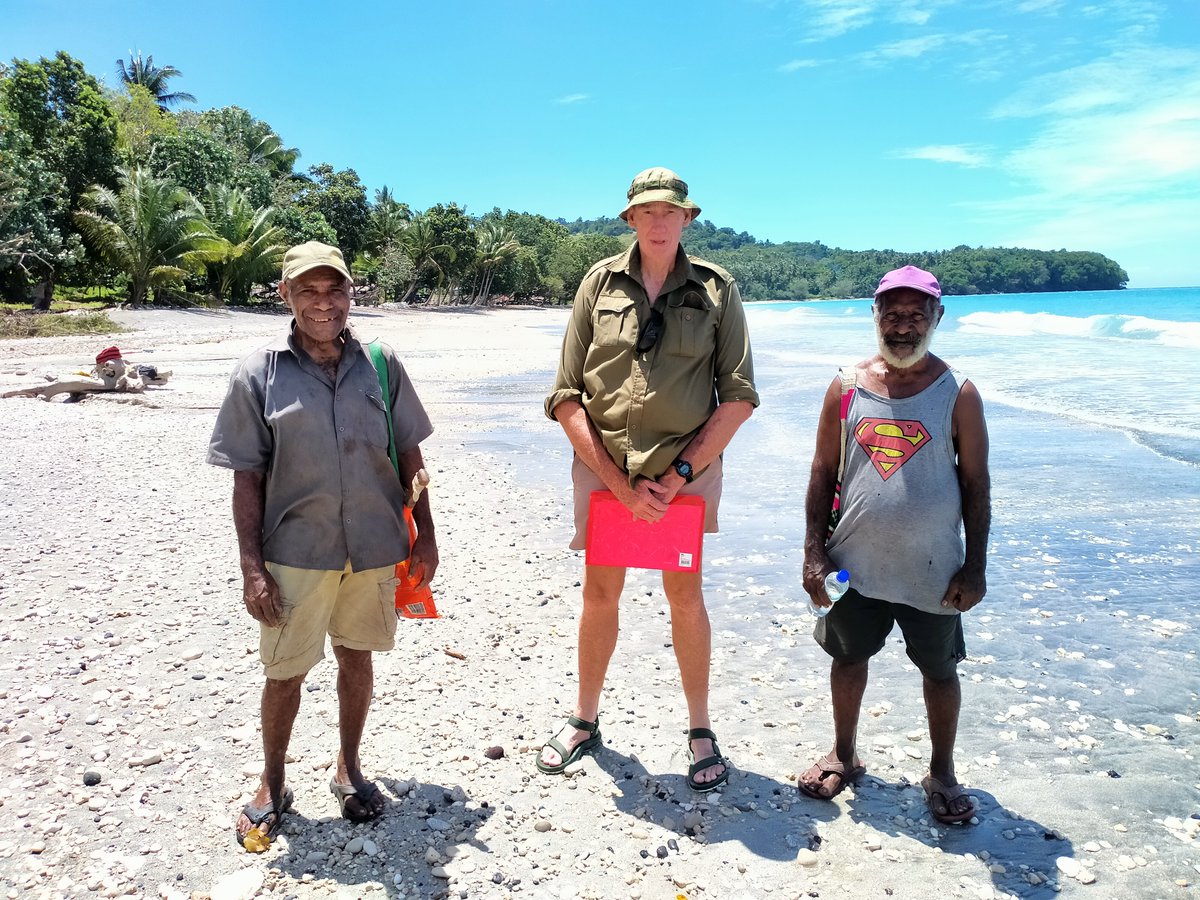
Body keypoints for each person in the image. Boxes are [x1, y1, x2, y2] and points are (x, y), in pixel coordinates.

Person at [207, 241, 438, 845]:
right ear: (285, 296)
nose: (322, 303)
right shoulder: (260, 372)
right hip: (295, 552)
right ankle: (273, 780)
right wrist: (251, 567)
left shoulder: (381, 365)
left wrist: (428, 535)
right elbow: (247, 477)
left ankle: (349, 767)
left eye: (333, 289)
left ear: (349, 291)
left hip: (376, 547)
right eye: (307, 291)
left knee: (356, 656)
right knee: (284, 673)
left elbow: (412, 454)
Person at [538, 167, 760, 792]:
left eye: (671, 211)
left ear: (687, 219)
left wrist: (680, 473)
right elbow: (565, 395)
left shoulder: (718, 290)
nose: (659, 221)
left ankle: (699, 729)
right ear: (630, 218)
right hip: (606, 471)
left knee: (684, 596)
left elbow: (738, 397)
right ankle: (584, 720)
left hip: (684, 479)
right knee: (599, 595)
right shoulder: (597, 284)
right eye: (647, 211)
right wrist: (614, 480)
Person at [798, 264, 990, 824]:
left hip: (933, 570)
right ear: (874, 315)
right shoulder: (846, 386)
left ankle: (942, 772)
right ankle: (844, 754)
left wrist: (975, 567)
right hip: (854, 563)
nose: (902, 326)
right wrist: (814, 551)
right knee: (848, 657)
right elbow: (821, 470)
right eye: (892, 313)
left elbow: (977, 485)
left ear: (937, 317)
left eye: (916, 314)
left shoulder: (958, 393)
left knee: (939, 671)